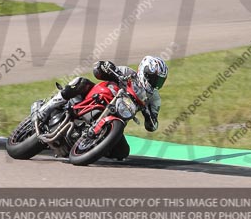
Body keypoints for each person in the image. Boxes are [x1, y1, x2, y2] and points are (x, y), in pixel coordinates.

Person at [37, 56, 169, 160]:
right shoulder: (128, 72)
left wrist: (148, 116)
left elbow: (152, 126)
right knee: (80, 82)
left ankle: (91, 147)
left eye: (159, 81)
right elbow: (98, 71)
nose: (155, 83)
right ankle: (47, 107)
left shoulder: (155, 98)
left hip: (118, 115)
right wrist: (106, 67)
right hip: (100, 97)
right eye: (154, 78)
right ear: (144, 71)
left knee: (122, 152)